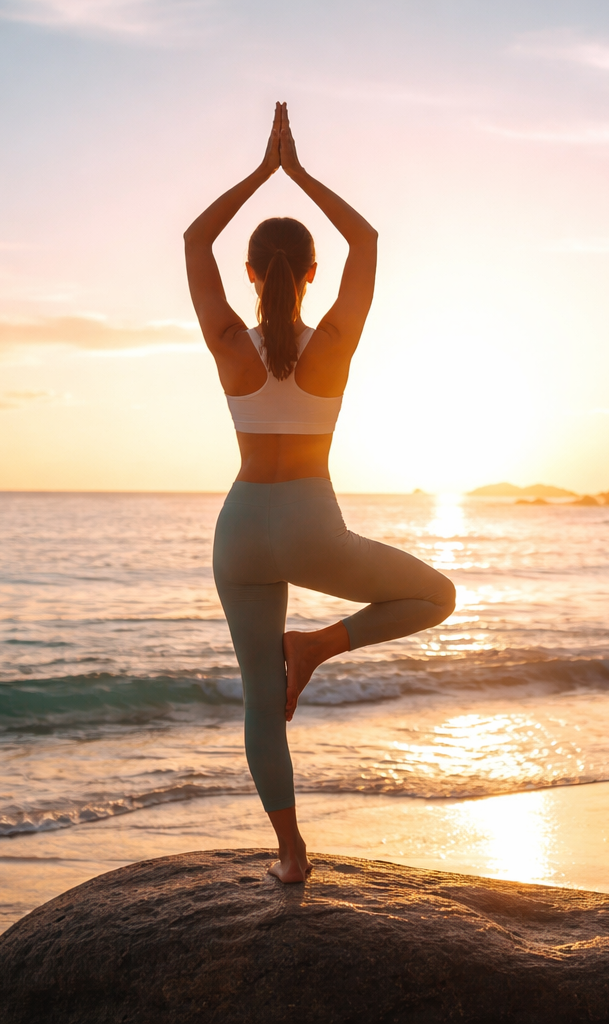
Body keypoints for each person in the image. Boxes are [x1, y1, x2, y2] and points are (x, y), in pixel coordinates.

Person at [184, 104, 456, 882]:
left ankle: (292, 855)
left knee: (258, 704)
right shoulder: (331, 345)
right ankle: (318, 646)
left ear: (248, 275)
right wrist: (299, 174)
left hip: (239, 531)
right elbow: (366, 242)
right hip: (310, 526)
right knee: (436, 595)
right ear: (310, 275)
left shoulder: (229, 344)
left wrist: (260, 173)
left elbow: (194, 240)